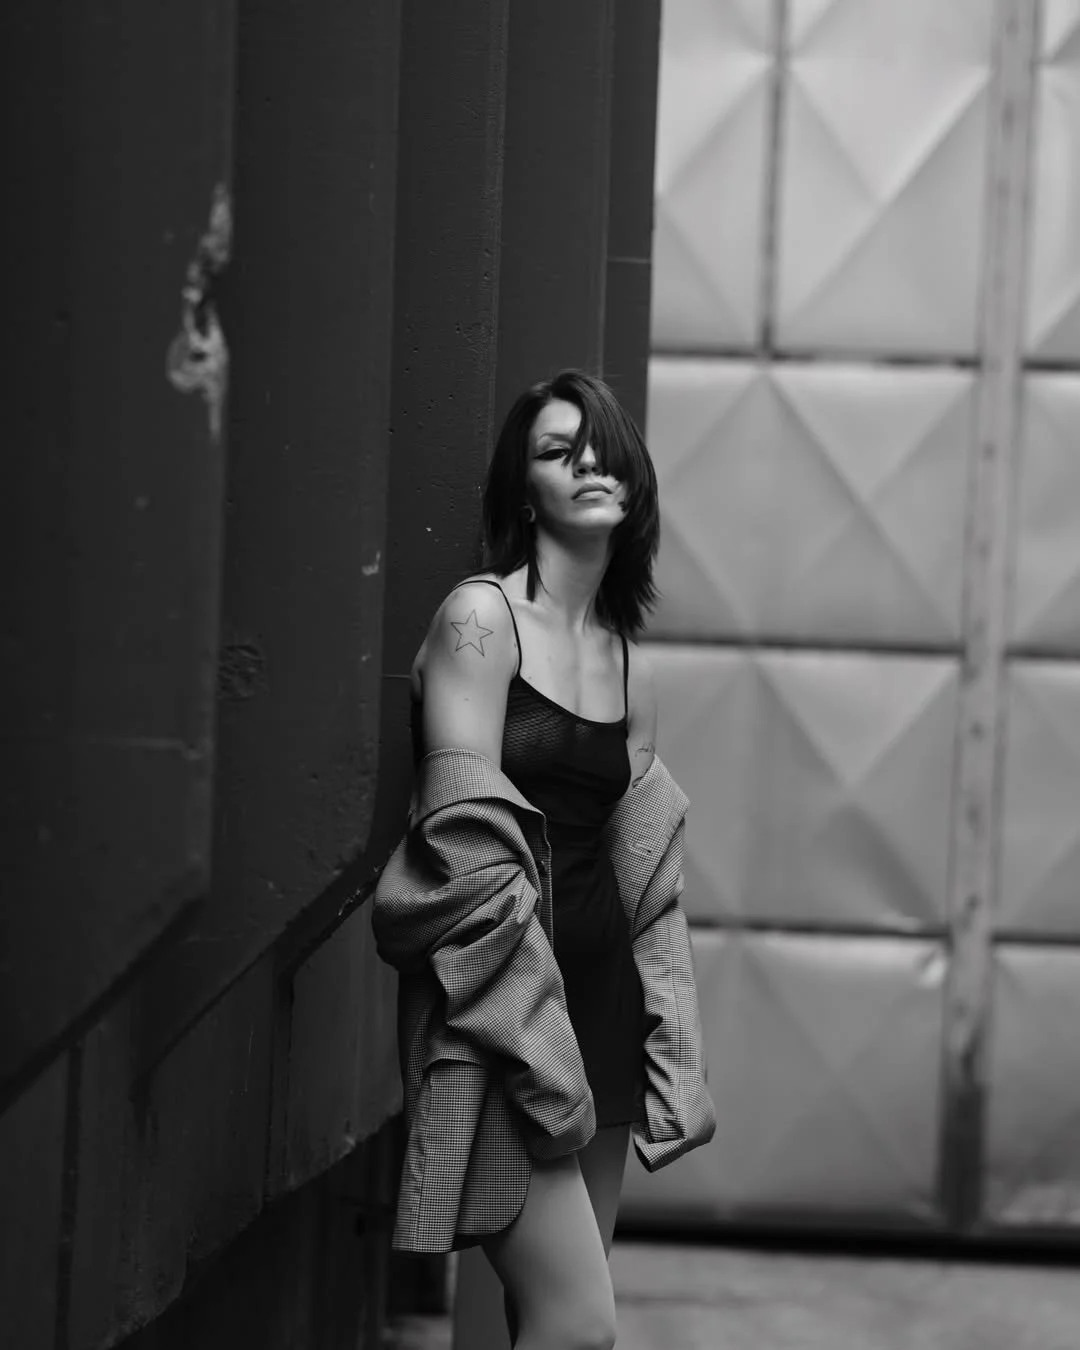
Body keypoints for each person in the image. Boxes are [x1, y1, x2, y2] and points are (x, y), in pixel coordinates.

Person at [372, 370, 714, 1350]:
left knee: (544, 1318)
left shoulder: (624, 659)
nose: (587, 463)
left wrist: (674, 1046)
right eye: (557, 452)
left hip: (598, 1006)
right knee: (578, 1324)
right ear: (527, 493)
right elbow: (461, 851)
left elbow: (648, 878)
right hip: (500, 1011)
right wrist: (539, 1042)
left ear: (634, 478)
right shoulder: (481, 622)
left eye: (603, 445)